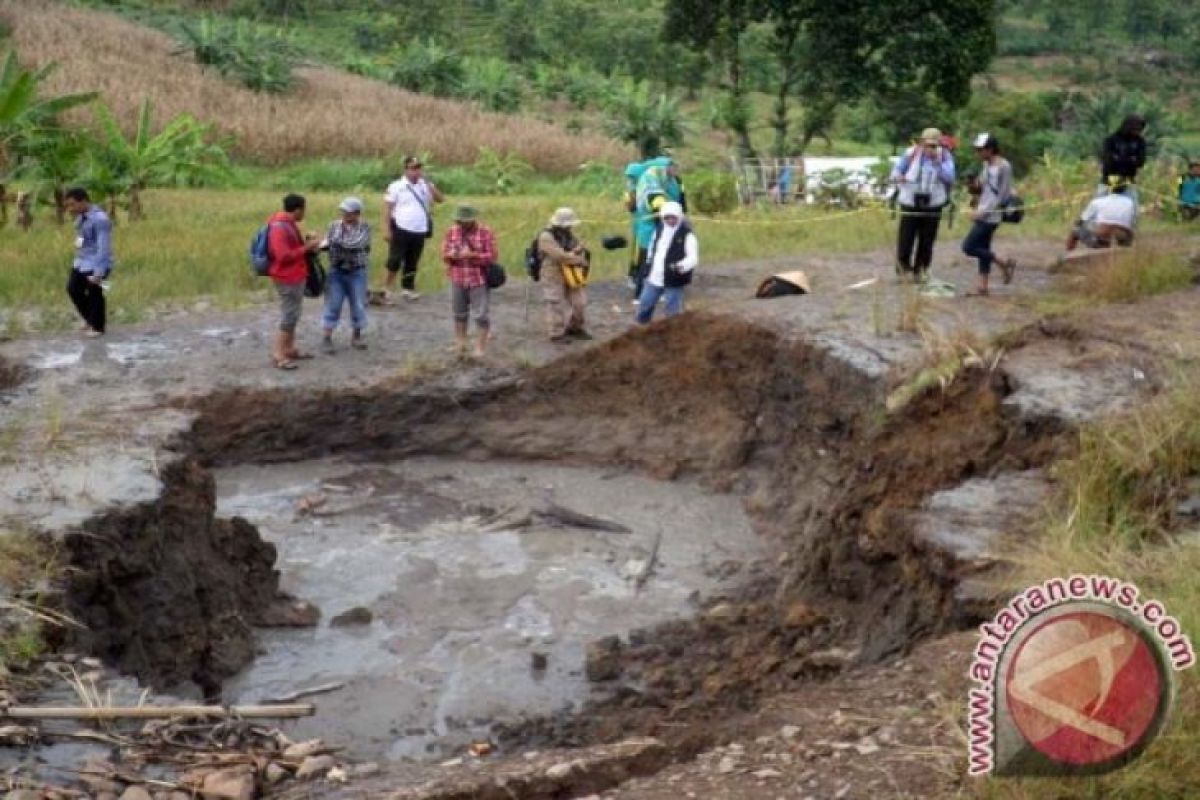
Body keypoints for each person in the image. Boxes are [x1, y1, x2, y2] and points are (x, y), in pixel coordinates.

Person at [891, 127, 956, 281]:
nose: (930, 148)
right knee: (906, 238)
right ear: (921, 142)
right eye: (928, 144)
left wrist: (937, 162)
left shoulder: (945, 157)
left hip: (933, 203)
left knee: (927, 240)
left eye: (934, 145)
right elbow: (896, 171)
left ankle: (921, 270)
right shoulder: (910, 153)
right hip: (910, 201)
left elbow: (950, 178)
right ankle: (903, 270)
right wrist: (899, 177)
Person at [267, 193, 321, 370]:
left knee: (294, 313)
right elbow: (283, 255)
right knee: (289, 315)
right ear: (297, 209)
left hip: (295, 276)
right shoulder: (279, 227)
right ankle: (279, 354)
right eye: (304, 209)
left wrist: (306, 243)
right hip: (287, 277)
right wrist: (307, 247)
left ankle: (289, 349)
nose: (305, 213)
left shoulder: (288, 224)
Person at [382, 155, 444, 302]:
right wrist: (386, 229)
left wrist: (429, 185)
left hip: (419, 228)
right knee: (395, 260)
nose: (416, 171)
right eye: (413, 168)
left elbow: (440, 199)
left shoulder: (424, 185)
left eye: (419, 168)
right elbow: (387, 208)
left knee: (412, 260)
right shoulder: (397, 186)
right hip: (401, 226)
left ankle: (407, 288)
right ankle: (386, 288)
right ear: (406, 170)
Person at [961, 133, 1016, 296]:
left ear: (990, 149)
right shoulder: (986, 166)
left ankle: (1003, 261)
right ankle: (983, 286)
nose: (978, 153)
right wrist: (973, 187)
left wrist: (982, 213)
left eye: (981, 150)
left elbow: (1003, 196)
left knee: (969, 247)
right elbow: (983, 188)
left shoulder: (1004, 167)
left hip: (992, 216)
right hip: (983, 210)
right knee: (983, 247)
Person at [441, 205, 497, 359]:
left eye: (464, 220)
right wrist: (451, 255)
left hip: (478, 279)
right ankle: (461, 344)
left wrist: (472, 255)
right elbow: (444, 254)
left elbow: (492, 256)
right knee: (459, 313)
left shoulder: (485, 232)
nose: (461, 223)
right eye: (459, 220)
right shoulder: (451, 231)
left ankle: (480, 347)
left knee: (481, 315)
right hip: (457, 277)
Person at [320, 197, 371, 353]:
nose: (345, 215)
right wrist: (323, 245)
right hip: (336, 270)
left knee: (358, 304)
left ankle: (356, 336)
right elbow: (326, 245)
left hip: (357, 270)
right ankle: (327, 338)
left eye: (348, 212)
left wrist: (331, 242)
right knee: (333, 303)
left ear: (357, 213)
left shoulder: (364, 227)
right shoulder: (333, 226)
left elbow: (355, 244)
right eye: (344, 211)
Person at [632, 157, 685, 301]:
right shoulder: (651, 179)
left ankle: (657, 291)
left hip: (660, 224)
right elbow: (656, 201)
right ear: (664, 167)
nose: (674, 170)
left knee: (660, 258)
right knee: (647, 260)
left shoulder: (667, 180)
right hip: (649, 225)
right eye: (671, 167)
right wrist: (670, 213)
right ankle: (640, 294)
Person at [636, 201, 697, 324]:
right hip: (654, 276)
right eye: (667, 218)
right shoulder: (658, 231)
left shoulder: (687, 236)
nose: (670, 221)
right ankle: (642, 328)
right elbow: (652, 249)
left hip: (674, 278)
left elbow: (693, 258)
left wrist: (680, 266)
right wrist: (648, 264)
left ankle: (673, 333)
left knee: (672, 309)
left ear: (679, 217)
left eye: (673, 218)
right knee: (645, 303)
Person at [537, 207, 592, 343]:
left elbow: (580, 248)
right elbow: (559, 256)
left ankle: (575, 327)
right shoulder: (546, 237)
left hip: (571, 271)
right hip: (552, 271)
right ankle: (556, 333)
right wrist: (578, 258)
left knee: (580, 302)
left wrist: (578, 252)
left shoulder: (569, 235)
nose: (570, 227)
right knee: (555, 302)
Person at [64, 187, 112, 338]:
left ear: (83, 201)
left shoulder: (100, 219)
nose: (70, 209)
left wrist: (99, 272)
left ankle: (98, 327)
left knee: (95, 293)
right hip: (82, 261)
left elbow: (103, 247)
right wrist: (78, 246)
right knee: (73, 288)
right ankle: (90, 318)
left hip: (96, 261)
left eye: (72, 205)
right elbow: (82, 235)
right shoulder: (81, 217)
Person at [1065, 181, 1136, 250]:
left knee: (1076, 230)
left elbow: (1081, 221)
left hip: (1102, 241)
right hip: (1123, 240)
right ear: (1124, 189)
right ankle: (1124, 246)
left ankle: (1067, 254)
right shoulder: (1130, 203)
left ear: (1108, 188)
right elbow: (1132, 223)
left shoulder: (1097, 202)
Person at [1099, 115, 1147, 206]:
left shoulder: (1140, 142)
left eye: (1140, 130)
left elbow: (1140, 162)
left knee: (1133, 210)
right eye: (1136, 129)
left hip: (1128, 181)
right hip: (1108, 181)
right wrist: (1130, 160)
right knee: (1099, 207)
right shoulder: (1112, 140)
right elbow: (1107, 160)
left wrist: (1119, 158)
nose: (1138, 132)